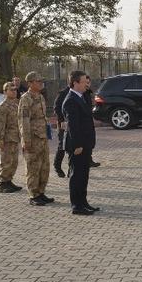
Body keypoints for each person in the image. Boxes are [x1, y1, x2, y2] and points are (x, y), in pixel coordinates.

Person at [62, 71, 99, 215]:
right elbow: (73, 126)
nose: (86, 84)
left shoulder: (81, 97)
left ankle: (83, 202)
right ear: (75, 83)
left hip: (85, 143)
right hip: (77, 145)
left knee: (84, 175)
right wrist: (77, 145)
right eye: (83, 82)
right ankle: (76, 206)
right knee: (76, 176)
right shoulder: (71, 100)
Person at [18, 71, 54, 206]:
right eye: (38, 81)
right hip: (32, 139)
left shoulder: (40, 96)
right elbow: (23, 121)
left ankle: (41, 192)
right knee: (33, 167)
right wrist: (26, 140)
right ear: (30, 83)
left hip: (42, 137)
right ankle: (33, 195)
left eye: (41, 81)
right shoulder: (26, 99)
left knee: (44, 167)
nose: (41, 83)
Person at [0, 81, 23, 193]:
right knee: (6, 161)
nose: (14, 91)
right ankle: (3, 184)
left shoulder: (16, 104)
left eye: (15, 89)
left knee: (13, 161)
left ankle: (9, 181)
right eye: (11, 90)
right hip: (6, 139)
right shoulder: (2, 107)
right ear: (5, 92)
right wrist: (0, 140)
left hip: (15, 137)